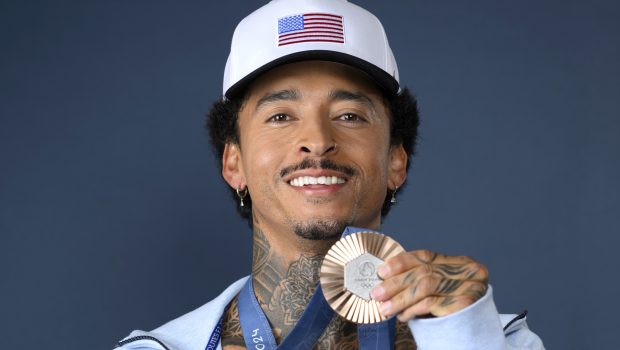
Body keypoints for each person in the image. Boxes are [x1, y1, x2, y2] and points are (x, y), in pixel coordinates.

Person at [116, 0, 544, 349]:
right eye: (281, 115)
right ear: (235, 165)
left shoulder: (499, 340)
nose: (318, 140)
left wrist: (465, 337)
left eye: (350, 115)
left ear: (397, 162)